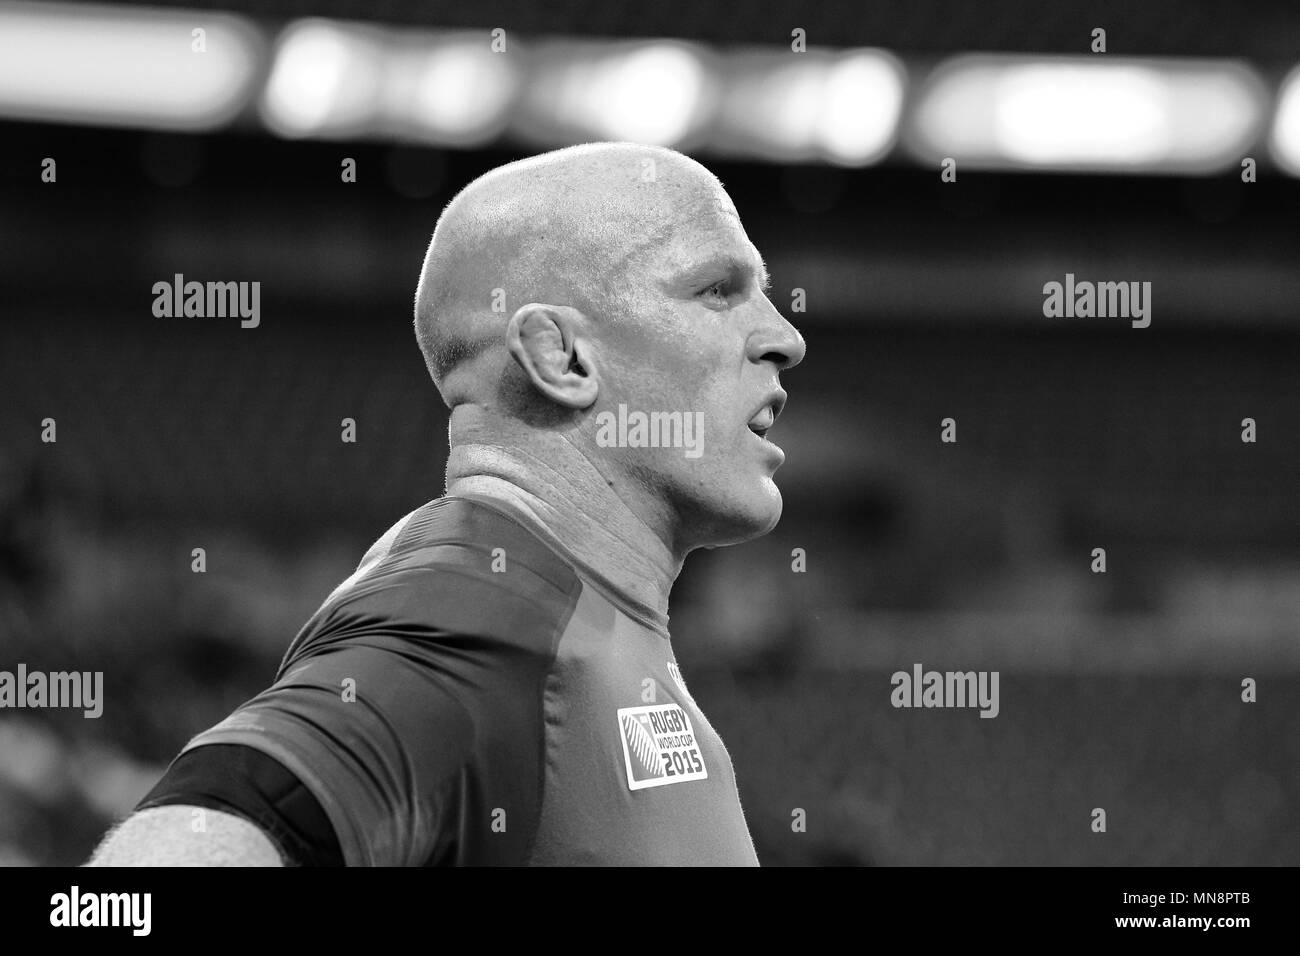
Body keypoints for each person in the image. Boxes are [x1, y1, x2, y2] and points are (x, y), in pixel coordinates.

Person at [88, 141, 805, 865]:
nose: (785, 336)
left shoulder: (570, 612)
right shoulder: (481, 609)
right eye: (718, 290)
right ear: (562, 358)